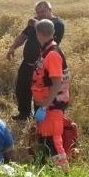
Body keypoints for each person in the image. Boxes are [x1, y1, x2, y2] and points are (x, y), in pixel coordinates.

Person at [6, 0, 64, 120]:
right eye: (37, 12)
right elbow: (23, 36)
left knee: (40, 92)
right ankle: (24, 114)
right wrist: (12, 47)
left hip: (42, 66)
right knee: (21, 89)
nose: (40, 14)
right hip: (27, 63)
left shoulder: (57, 24)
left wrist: (36, 23)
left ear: (50, 10)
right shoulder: (35, 22)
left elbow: (49, 36)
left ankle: (39, 118)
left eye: (42, 12)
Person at [31, 19, 71, 169]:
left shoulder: (52, 54)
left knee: (53, 141)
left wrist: (45, 107)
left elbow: (57, 83)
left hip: (52, 106)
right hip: (47, 104)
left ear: (38, 34)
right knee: (45, 140)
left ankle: (63, 174)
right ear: (53, 33)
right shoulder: (47, 51)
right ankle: (46, 170)